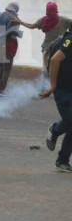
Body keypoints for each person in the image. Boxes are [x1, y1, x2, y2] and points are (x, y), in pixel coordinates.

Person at [13, 2, 72, 89]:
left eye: (53, 11)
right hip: (47, 48)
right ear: (47, 11)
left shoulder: (64, 20)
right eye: (50, 11)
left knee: (60, 69)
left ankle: (58, 87)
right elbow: (32, 26)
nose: (52, 13)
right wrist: (20, 21)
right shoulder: (43, 20)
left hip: (60, 48)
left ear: (56, 11)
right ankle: (43, 88)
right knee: (45, 70)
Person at [40, 28, 72, 172]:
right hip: (63, 90)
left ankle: (56, 131)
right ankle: (62, 159)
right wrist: (53, 85)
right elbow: (55, 59)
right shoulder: (70, 40)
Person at [0, 2, 23, 96]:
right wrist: (18, 33)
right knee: (6, 69)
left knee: (0, 66)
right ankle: (0, 90)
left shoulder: (0, 15)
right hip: (8, 45)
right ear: (16, 9)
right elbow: (11, 33)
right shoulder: (14, 19)